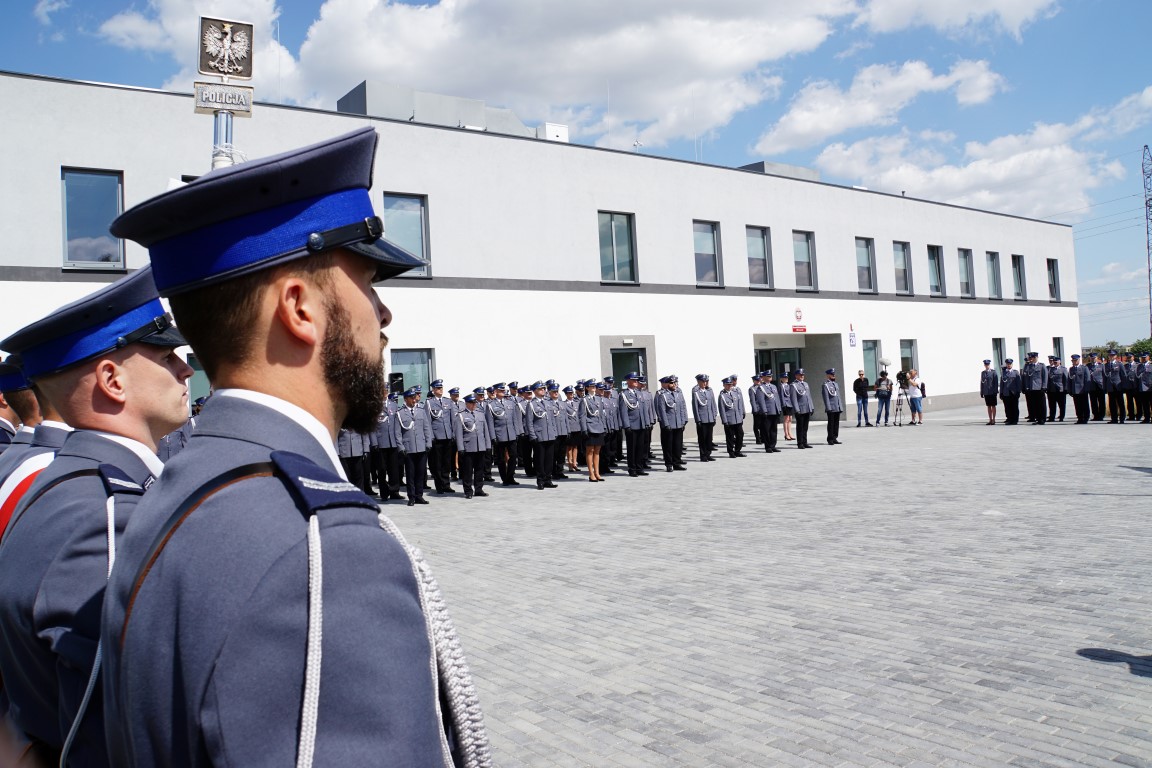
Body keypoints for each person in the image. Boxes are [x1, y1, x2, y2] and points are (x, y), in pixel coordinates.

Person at [101, 128, 490, 767]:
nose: (384, 315)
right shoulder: (323, 548)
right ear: (299, 309)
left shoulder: (178, 486)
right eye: (367, 283)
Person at [0, 267, 191, 767]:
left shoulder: (68, 483)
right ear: (112, 380)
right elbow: (112, 733)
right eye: (167, 356)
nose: (186, 370)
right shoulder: (107, 517)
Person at [454, 394, 491, 498]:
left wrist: (488, 445)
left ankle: (479, 489)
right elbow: (459, 434)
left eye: (475, 403)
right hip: (468, 447)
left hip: (480, 446)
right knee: (468, 471)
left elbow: (486, 431)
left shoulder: (480, 414)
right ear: (467, 403)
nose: (474, 405)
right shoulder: (461, 415)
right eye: (472, 403)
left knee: (480, 470)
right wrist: (460, 447)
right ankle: (468, 491)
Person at [525, 381, 558, 490]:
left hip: (550, 435)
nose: (543, 390)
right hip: (539, 435)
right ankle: (540, 480)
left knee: (549, 459)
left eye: (544, 388)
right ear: (535, 391)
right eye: (540, 389)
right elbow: (529, 422)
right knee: (540, 459)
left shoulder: (548, 403)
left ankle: (548, 479)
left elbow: (552, 419)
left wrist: (554, 432)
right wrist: (532, 435)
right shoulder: (531, 404)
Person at [579, 380, 607, 481]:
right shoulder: (584, 400)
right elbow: (582, 416)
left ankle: (597, 473)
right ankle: (591, 474)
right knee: (590, 451)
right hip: (590, 428)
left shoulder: (598, 399)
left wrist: (604, 427)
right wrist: (584, 429)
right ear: (587, 388)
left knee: (597, 452)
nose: (594, 387)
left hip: (598, 427)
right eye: (591, 386)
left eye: (594, 386)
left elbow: (601, 415)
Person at [690, 373, 717, 462]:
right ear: (698, 382)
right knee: (702, 439)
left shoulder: (709, 391)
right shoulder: (696, 392)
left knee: (709, 438)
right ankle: (703, 455)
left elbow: (713, 404)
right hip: (702, 419)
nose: (705, 383)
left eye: (706, 381)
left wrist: (714, 416)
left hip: (710, 418)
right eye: (703, 381)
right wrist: (698, 420)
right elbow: (695, 407)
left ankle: (708, 454)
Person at [718, 376, 745, 457]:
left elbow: (740, 404)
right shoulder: (722, 395)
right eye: (727, 385)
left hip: (737, 418)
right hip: (729, 419)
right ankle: (731, 452)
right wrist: (724, 421)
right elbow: (722, 409)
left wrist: (742, 414)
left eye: (730, 384)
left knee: (740, 434)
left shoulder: (735, 393)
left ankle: (738, 451)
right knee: (730, 437)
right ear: (724, 385)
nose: (729, 386)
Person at [790, 369, 815, 448]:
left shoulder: (806, 384)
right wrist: (797, 409)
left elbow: (809, 397)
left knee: (805, 427)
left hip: (807, 408)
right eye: (800, 375)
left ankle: (805, 442)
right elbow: (794, 399)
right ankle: (800, 443)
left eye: (803, 375)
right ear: (796, 376)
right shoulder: (793, 385)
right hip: (800, 409)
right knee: (800, 427)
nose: (802, 376)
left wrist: (811, 407)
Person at [760, 370, 782, 453]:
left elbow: (777, 399)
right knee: (767, 430)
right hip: (768, 411)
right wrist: (764, 411)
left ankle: (773, 445)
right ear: (764, 377)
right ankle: (768, 446)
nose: (770, 378)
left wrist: (779, 409)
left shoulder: (774, 386)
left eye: (771, 376)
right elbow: (761, 401)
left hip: (775, 410)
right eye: (768, 376)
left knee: (774, 430)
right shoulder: (761, 388)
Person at [1104, 349, 1127, 423]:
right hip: (1110, 386)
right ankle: (1114, 418)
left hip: (1118, 386)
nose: (1111, 356)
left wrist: (1123, 386)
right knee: (1112, 403)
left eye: (1113, 355)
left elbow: (1123, 376)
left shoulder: (1119, 364)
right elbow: (1105, 377)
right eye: (1110, 355)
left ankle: (1122, 418)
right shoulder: (1106, 365)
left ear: (1116, 356)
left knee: (1120, 403)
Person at [1067, 354, 1090, 425]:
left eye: (1075, 360)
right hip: (1075, 390)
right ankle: (1079, 418)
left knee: (1084, 405)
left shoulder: (1084, 368)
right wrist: (1070, 390)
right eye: (1073, 360)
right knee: (1077, 405)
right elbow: (1069, 380)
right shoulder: (1071, 369)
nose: (1074, 361)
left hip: (1082, 390)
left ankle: (1085, 418)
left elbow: (1087, 379)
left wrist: (1086, 389)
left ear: (1079, 360)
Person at [822, 368, 843, 444]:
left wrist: (840, 406)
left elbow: (838, 396)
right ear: (828, 375)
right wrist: (828, 408)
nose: (833, 375)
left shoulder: (836, 384)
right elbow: (826, 397)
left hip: (837, 407)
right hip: (831, 407)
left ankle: (835, 437)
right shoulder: (825, 385)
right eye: (832, 374)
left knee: (836, 423)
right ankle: (830, 439)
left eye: (834, 374)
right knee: (831, 424)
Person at [1000, 359, 1022, 425]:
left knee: (1014, 407)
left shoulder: (1015, 372)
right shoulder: (1004, 373)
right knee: (1007, 407)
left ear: (1012, 364)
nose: (1009, 365)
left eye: (1010, 364)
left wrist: (1018, 391)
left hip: (1013, 393)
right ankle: (1009, 419)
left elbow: (1019, 383)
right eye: (1007, 364)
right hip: (1006, 392)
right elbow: (1002, 384)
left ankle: (1015, 420)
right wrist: (1001, 392)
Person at [1046, 355, 1068, 422]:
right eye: (1054, 362)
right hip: (1052, 390)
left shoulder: (1063, 369)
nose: (1054, 363)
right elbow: (1048, 380)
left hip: (1060, 389)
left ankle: (1061, 417)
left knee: (1061, 405)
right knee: (1052, 405)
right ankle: (1052, 417)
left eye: (1056, 362)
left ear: (1059, 362)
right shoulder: (1050, 369)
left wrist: (1066, 389)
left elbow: (1066, 379)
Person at [979, 359, 999, 425]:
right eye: (985, 364)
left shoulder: (993, 372)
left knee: (993, 406)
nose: (987, 366)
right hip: (986, 392)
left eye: (988, 364)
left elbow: (996, 382)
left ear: (989, 365)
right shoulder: (983, 373)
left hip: (992, 392)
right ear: (984, 365)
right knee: (988, 406)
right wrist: (982, 392)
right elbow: (982, 383)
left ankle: (994, 419)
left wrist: (996, 391)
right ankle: (990, 419)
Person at [779, 371, 795, 439]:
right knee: (786, 419)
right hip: (785, 404)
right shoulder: (781, 386)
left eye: (787, 377)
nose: (786, 378)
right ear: (781, 379)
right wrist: (783, 405)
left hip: (790, 404)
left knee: (790, 419)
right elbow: (781, 396)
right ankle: (786, 434)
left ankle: (790, 433)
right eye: (784, 377)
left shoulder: (789, 386)